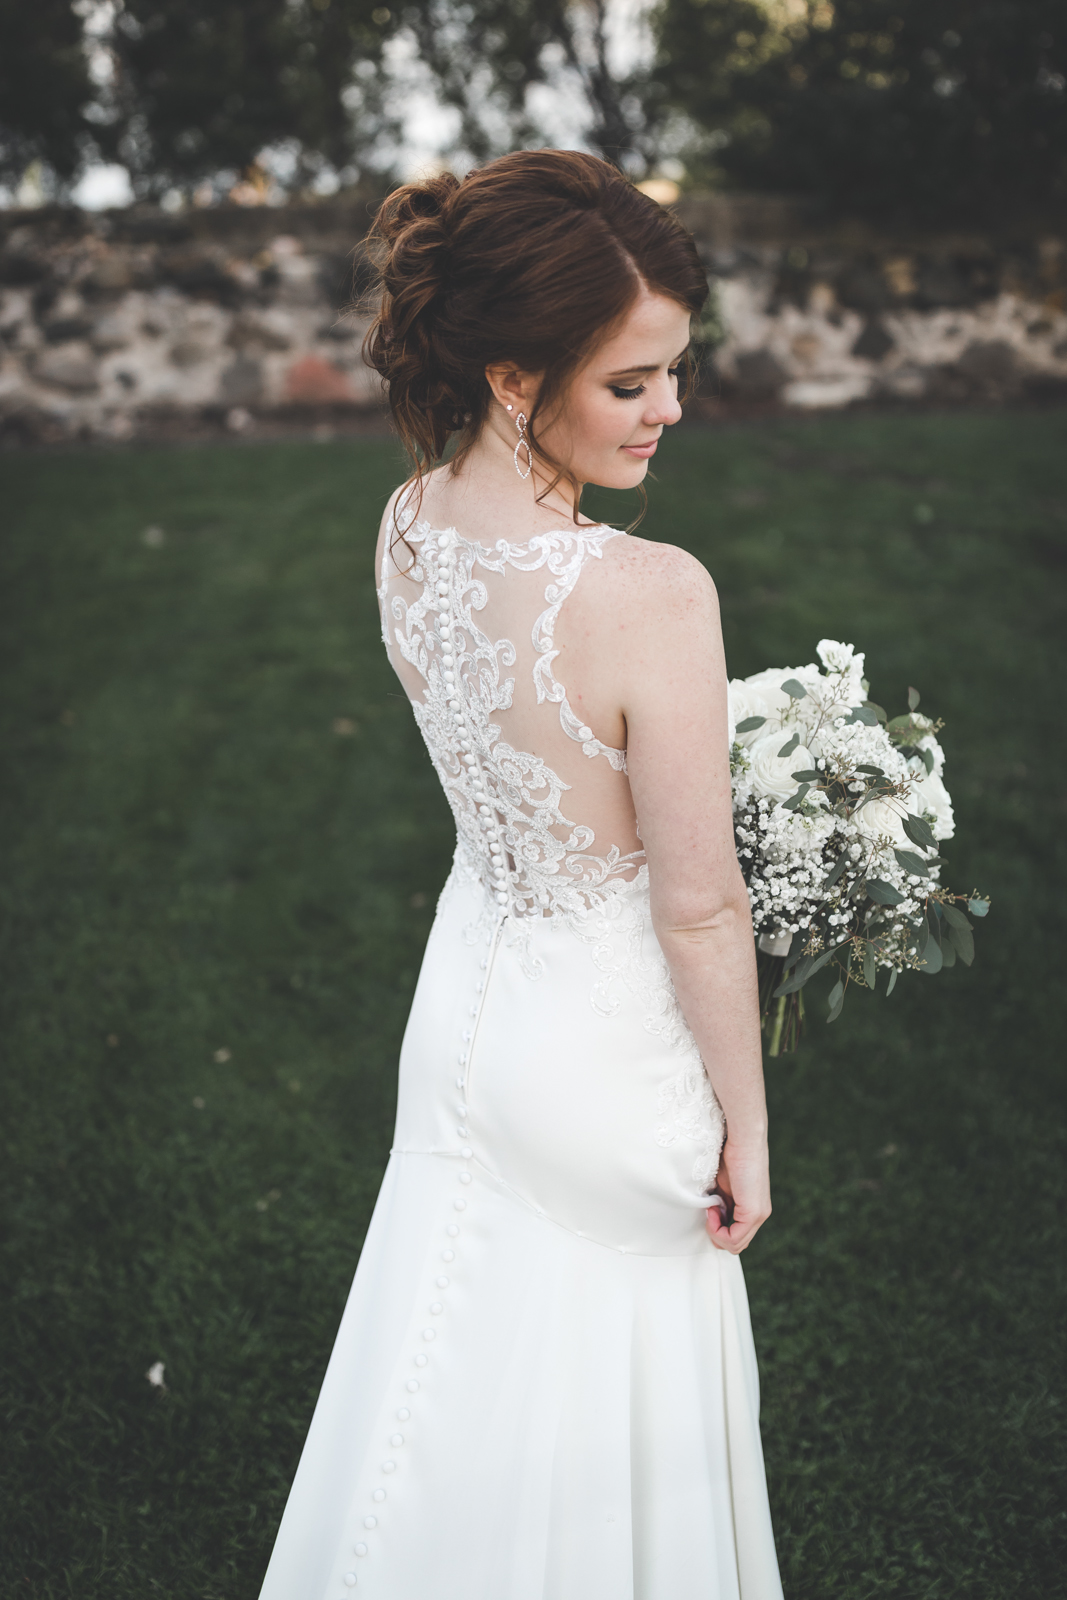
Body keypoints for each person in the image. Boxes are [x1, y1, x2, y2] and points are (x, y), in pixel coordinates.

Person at [259, 149, 782, 1600]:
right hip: (608, 1045)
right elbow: (697, 901)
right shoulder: (648, 592)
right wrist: (745, 1122)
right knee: (618, 1410)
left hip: (471, 1006)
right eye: (632, 384)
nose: (672, 408)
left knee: (447, 1369)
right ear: (512, 375)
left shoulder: (410, 526)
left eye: (676, 371)